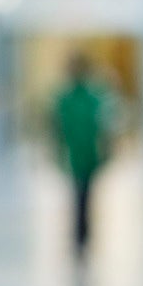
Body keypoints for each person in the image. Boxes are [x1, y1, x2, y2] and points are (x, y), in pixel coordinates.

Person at [51, 52, 115, 258]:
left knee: (83, 196)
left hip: (86, 154)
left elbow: (104, 128)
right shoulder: (75, 99)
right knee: (81, 196)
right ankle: (81, 235)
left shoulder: (88, 98)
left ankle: (82, 235)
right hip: (79, 154)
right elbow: (57, 129)